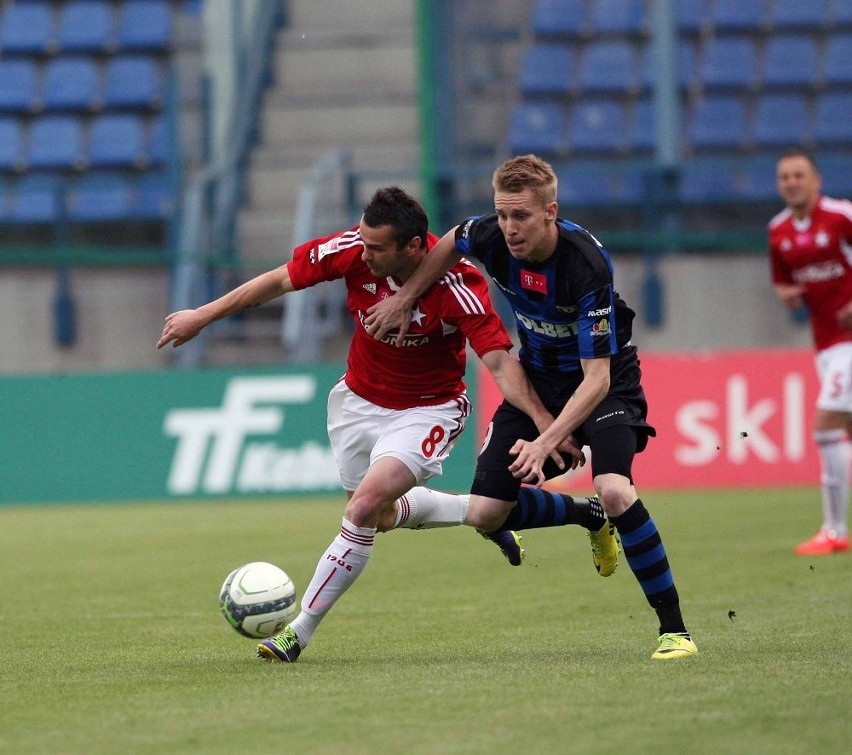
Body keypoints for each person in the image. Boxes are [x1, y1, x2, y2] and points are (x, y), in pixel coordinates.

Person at [157, 186, 609, 664]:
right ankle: (543, 515)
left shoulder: (460, 287)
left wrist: (543, 423)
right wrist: (201, 316)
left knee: (364, 507)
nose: (363, 251)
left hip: (428, 410)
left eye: (376, 248)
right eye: (363, 243)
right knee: (383, 516)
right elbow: (278, 281)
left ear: (414, 247)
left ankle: (297, 633)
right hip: (356, 401)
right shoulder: (353, 250)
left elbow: (499, 365)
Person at [365, 155, 697, 659]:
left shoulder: (585, 266)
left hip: (606, 386)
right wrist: (409, 295)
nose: (509, 228)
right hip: (539, 380)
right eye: (501, 214)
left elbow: (597, 378)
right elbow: (454, 238)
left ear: (550, 212)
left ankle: (675, 631)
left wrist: (545, 442)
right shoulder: (493, 238)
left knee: (614, 489)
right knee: (484, 514)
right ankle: (586, 518)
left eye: (520, 216)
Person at [769, 149, 852, 556]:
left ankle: (834, 531)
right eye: (785, 176)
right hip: (825, 344)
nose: (792, 182)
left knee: (824, 425)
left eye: (799, 174)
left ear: (816, 180)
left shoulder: (841, 216)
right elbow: (783, 283)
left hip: (848, 344)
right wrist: (786, 294)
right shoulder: (778, 231)